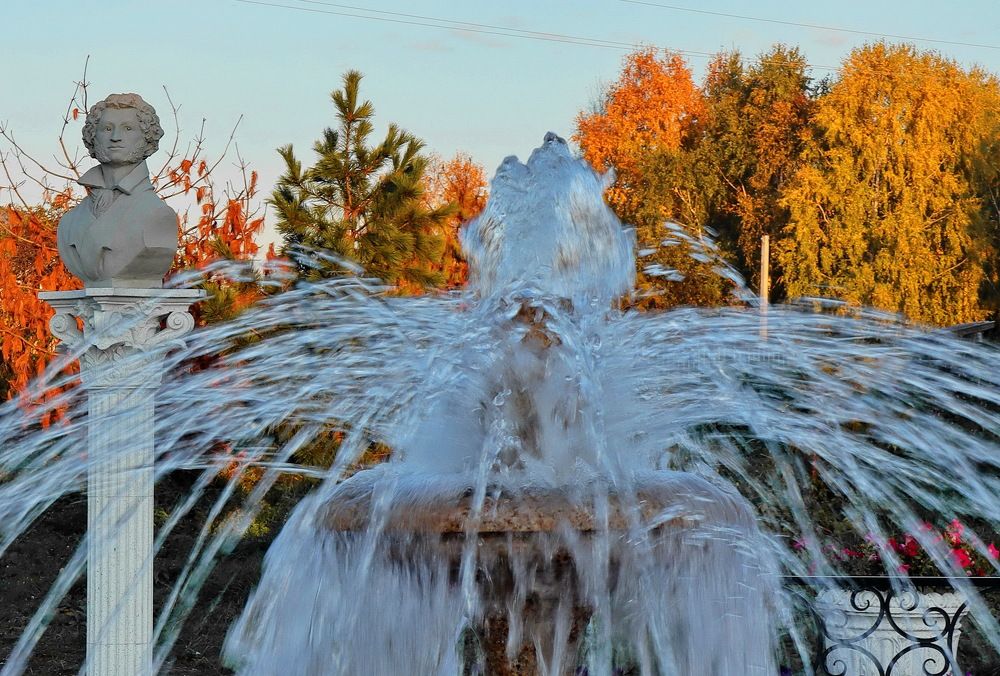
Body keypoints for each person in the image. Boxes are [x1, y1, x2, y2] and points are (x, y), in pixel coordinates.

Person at [57, 93, 177, 288]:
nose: (115, 137)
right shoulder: (69, 222)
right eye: (107, 128)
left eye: (128, 128)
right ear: (93, 136)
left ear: (147, 137)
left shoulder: (157, 215)